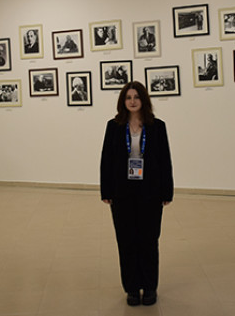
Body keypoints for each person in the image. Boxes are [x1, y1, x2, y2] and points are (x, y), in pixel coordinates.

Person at [100, 81, 174, 307]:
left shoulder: (157, 126)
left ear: (144, 100)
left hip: (150, 192)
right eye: (128, 97)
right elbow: (106, 160)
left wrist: (167, 191)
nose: (132, 101)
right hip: (122, 192)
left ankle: (150, 287)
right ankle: (132, 288)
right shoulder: (114, 126)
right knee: (126, 241)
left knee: (149, 241)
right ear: (123, 101)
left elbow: (164, 160)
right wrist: (106, 190)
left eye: (136, 97)